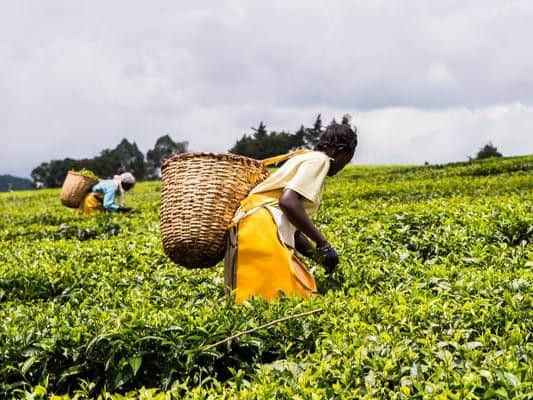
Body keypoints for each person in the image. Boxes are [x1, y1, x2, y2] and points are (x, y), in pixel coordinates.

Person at [224, 121, 357, 303]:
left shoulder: (305, 158)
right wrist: (323, 244)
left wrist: (317, 257)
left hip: (250, 228)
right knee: (294, 298)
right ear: (338, 151)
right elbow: (287, 202)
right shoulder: (320, 160)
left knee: (252, 302)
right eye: (348, 157)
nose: (345, 164)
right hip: (262, 228)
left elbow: (291, 225)